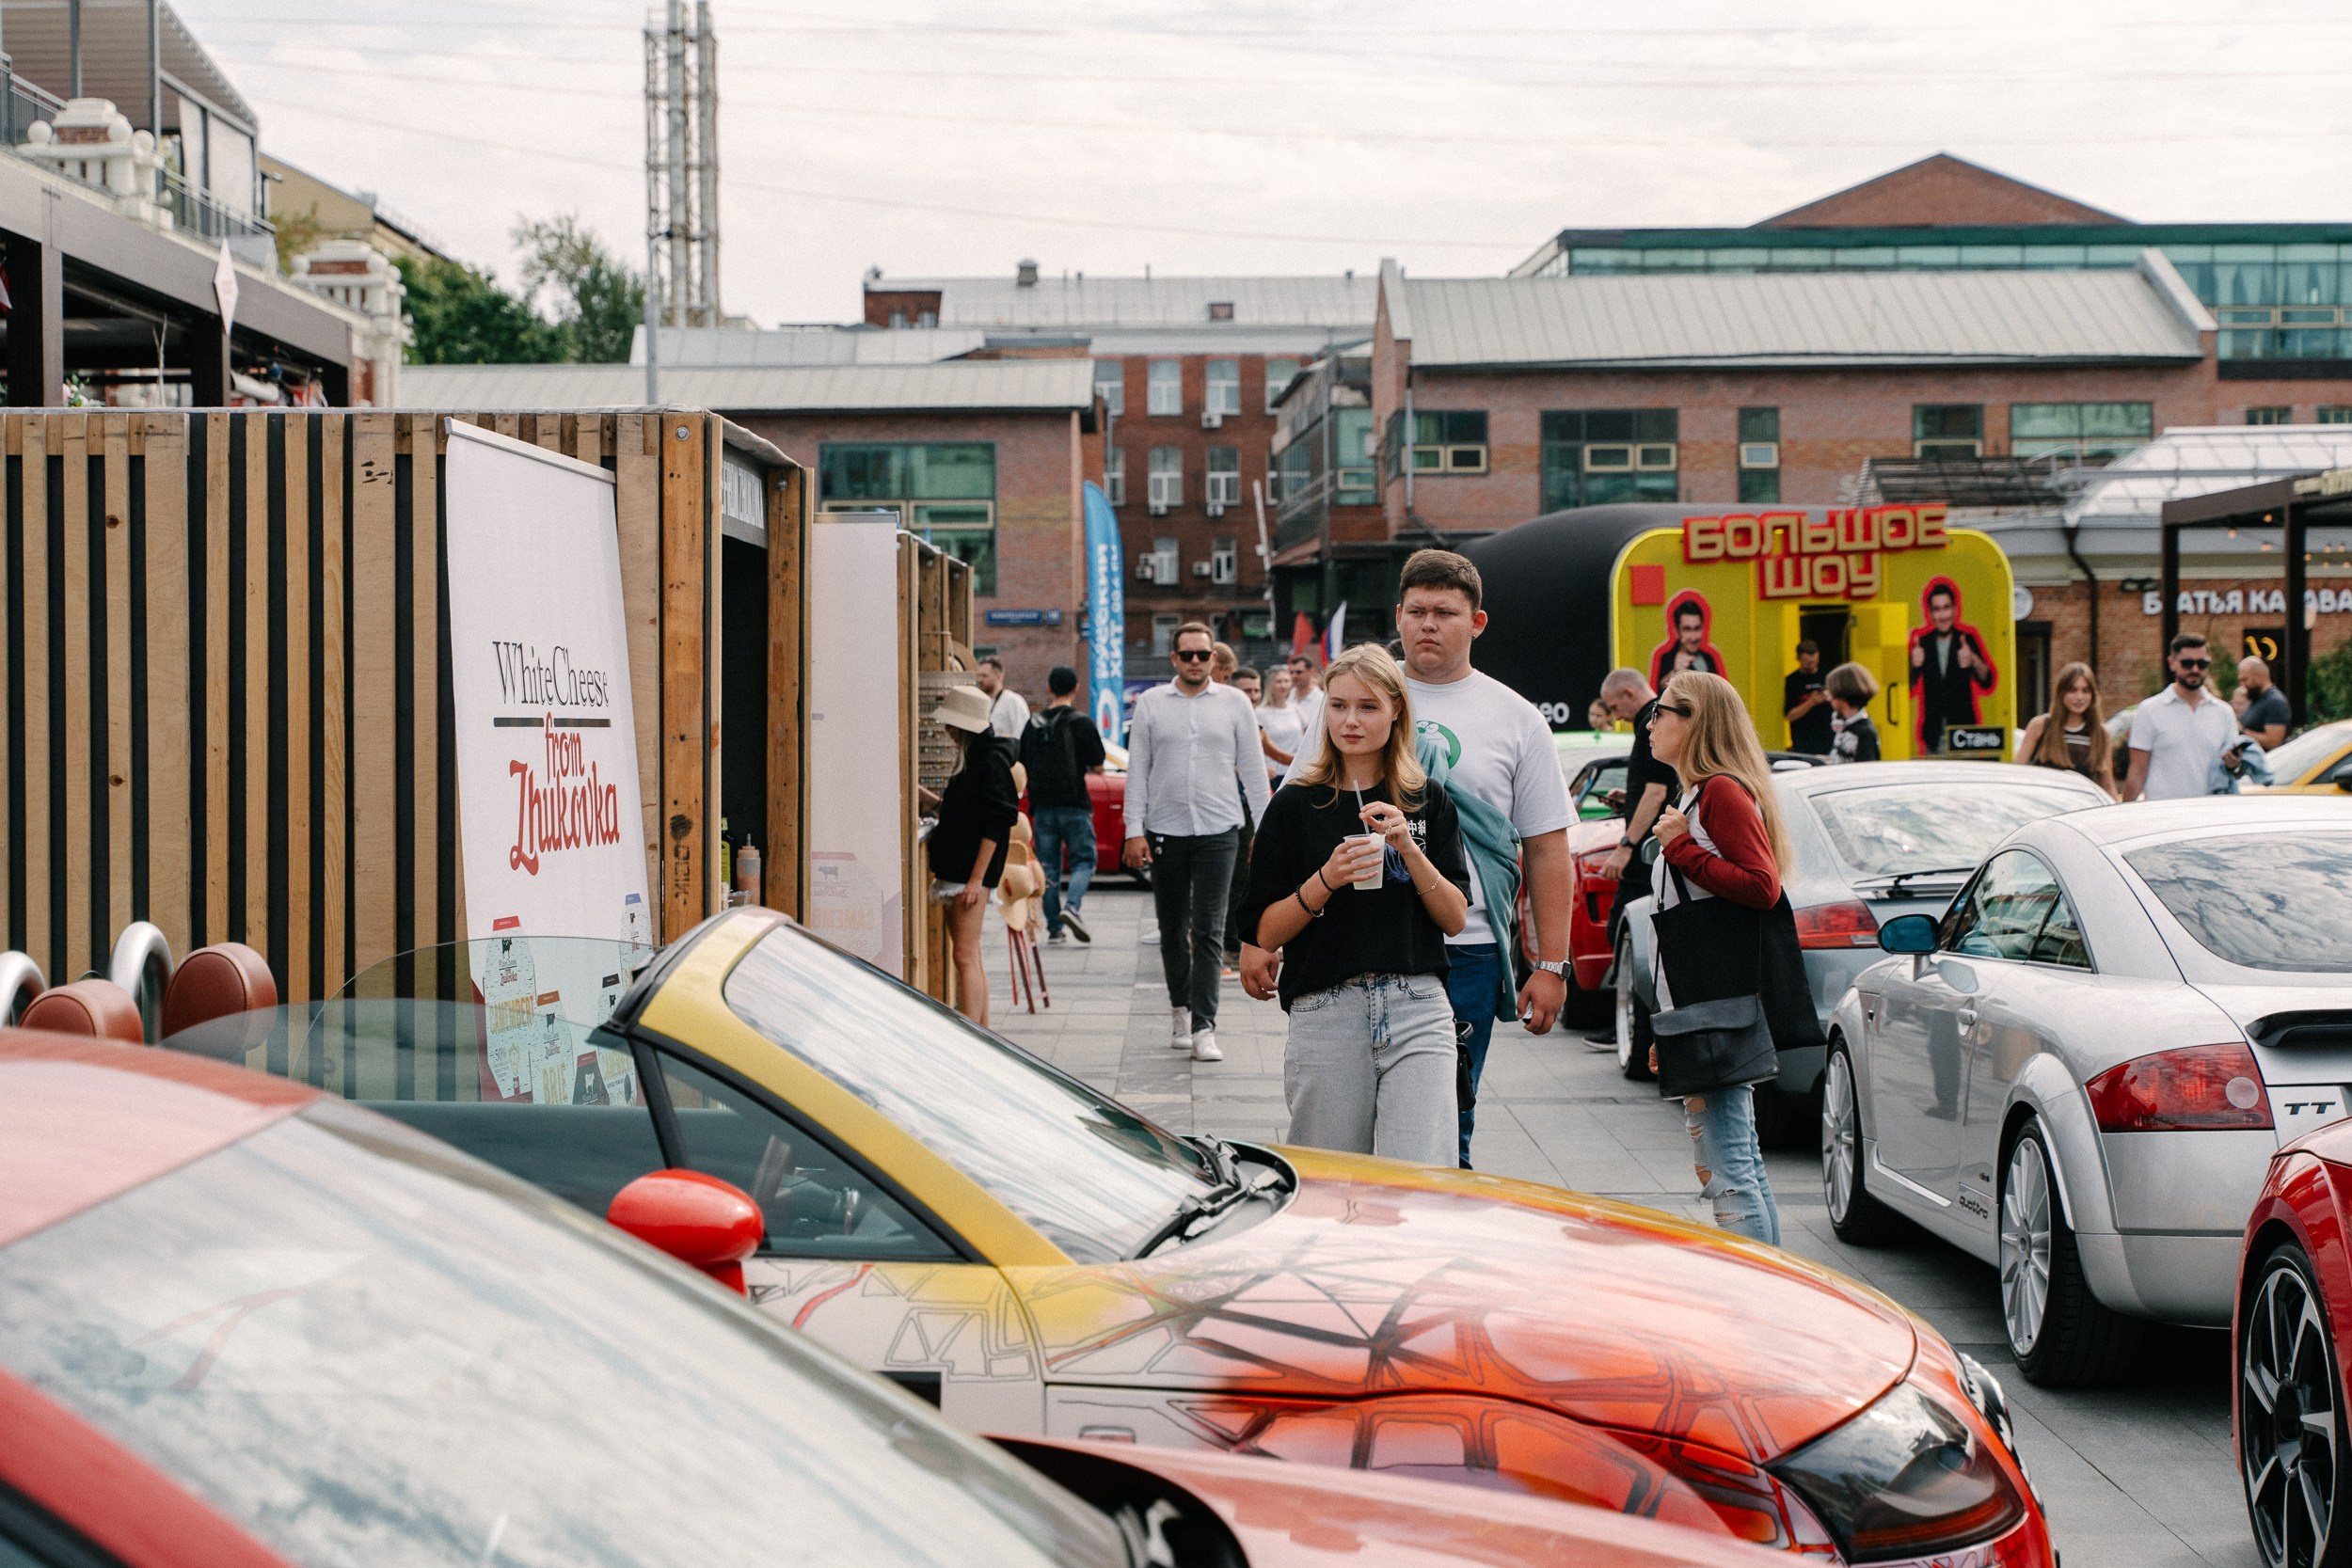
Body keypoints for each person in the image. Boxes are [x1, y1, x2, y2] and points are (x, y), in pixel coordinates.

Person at [1249, 550, 1574, 1169]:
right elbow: (1292, 817)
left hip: (1466, 947)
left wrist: (1551, 963)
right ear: (1397, 616)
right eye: (1417, 610)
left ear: (1477, 622)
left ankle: (1431, 1228)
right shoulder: (1353, 695)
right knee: (1337, 1146)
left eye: (1445, 613)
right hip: (1348, 945)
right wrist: (1260, 937)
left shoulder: (1517, 719)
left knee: (1445, 1135)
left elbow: (1546, 846)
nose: (1429, 624)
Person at [1238, 645, 1470, 1163]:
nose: (1350, 721)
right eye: (1338, 706)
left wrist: (1409, 849)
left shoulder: (1427, 799)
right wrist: (1326, 879)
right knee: (1333, 1181)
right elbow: (1265, 932)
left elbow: (1455, 919)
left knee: (1421, 1179)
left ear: (1396, 710)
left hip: (1417, 1004)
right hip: (1326, 1005)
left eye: (1367, 707)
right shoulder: (1294, 804)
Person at [1644, 671, 1806, 1245]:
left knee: (1729, 1165)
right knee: (1735, 1160)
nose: (1650, 723)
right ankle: (1769, 1280)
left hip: (1716, 1005)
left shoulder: (1720, 792)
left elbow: (1762, 886)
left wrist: (1681, 848)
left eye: (1661, 711)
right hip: (1700, 1007)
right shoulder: (1698, 795)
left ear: (1695, 723)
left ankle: (1759, 1286)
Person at [1124, 622, 1272, 1064]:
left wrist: (1266, 830)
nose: (1194, 662)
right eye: (1186, 654)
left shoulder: (1234, 703)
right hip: (1165, 829)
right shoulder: (1152, 703)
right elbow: (1137, 770)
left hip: (1219, 829)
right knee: (1173, 927)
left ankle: (1205, 1026)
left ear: (1213, 659)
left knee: (1209, 929)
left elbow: (1253, 768)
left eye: (1202, 655)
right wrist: (1133, 829)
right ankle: (1180, 1009)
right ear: (1173, 658)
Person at [922, 685, 1019, 1027]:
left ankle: (972, 1032)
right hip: (962, 870)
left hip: (968, 873)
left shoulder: (988, 761)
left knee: (964, 955)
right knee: (969, 954)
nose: (947, 729)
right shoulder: (979, 758)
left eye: (951, 723)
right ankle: (983, 1029)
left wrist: (977, 879)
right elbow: (970, 813)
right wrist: (931, 800)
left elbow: (996, 823)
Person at [1593, 668, 1677, 1047]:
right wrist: (1629, 800)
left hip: (1645, 856)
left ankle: (1632, 1025)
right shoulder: (1655, 720)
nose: (1617, 716)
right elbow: (1657, 789)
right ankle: (1632, 1024)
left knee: (1627, 932)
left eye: (1614, 707)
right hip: (1650, 849)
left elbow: (1657, 792)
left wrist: (1626, 846)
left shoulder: (1651, 724)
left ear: (1628, 693)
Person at [1019, 666, 1106, 945]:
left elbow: (1021, 763)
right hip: (1075, 804)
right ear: (1076, 688)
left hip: (1042, 807)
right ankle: (1072, 907)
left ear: (1049, 688)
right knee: (1084, 860)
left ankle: (1054, 928)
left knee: (1048, 866)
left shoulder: (1032, 724)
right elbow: (1099, 766)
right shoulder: (1082, 723)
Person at [2123, 633, 2237, 802]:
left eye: (2202, 664)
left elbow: (2234, 771)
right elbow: (2137, 772)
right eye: (2187, 663)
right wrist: (2125, 812)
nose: (2195, 670)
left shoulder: (2224, 712)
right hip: (2164, 812)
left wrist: (2234, 763)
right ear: (2172, 663)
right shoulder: (2149, 710)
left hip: (2210, 811)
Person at [1908, 580, 1995, 752]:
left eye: (1946, 608)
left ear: (1955, 609)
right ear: (1930, 613)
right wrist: (1913, 664)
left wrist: (1973, 659)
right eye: (1937, 609)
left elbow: (1987, 681)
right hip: (1933, 738)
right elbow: (1908, 687)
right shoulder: (1922, 643)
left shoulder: (1967, 638)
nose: (1942, 615)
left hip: (1964, 737)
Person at [2018, 662, 2116, 797]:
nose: (2079, 697)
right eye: (2073, 690)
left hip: (2084, 806)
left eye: (2085, 691)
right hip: (2044, 803)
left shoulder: (2101, 733)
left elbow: (2107, 784)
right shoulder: (2040, 726)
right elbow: (2017, 771)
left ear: (2093, 695)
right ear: (2061, 693)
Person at [1782, 640, 1834, 756]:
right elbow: (1790, 716)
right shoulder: (1792, 681)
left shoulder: (1828, 677)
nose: (1811, 664)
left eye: (1814, 661)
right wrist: (1811, 702)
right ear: (1798, 659)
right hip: (1804, 742)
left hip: (1828, 740)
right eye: (1807, 662)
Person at [1258, 665, 1305, 787]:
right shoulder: (1260, 713)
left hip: (1296, 771)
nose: (1283, 685)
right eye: (1278, 682)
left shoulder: (1296, 709)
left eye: (1286, 681)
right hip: (1273, 774)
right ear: (1270, 685)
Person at [1824, 662, 1881, 763]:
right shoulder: (1843, 725)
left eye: (1831, 693)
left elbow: (1865, 768)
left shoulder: (1865, 733)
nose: (1829, 698)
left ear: (1842, 695)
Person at [2240, 656, 2291, 752]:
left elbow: (2273, 742)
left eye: (2245, 680)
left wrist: (2242, 732)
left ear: (2259, 676)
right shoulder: (2256, 699)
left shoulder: (2275, 702)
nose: (2242, 685)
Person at [975, 657, 1030, 740]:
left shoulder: (1013, 701)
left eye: (984, 676)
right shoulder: (981, 703)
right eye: (978, 676)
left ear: (998, 676)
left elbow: (1022, 735)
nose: (979, 680)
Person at [1289, 655, 1326, 736]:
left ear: (1311, 671)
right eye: (1291, 672)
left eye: (1299, 672)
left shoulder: (1322, 699)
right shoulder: (1286, 697)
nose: (1294, 676)